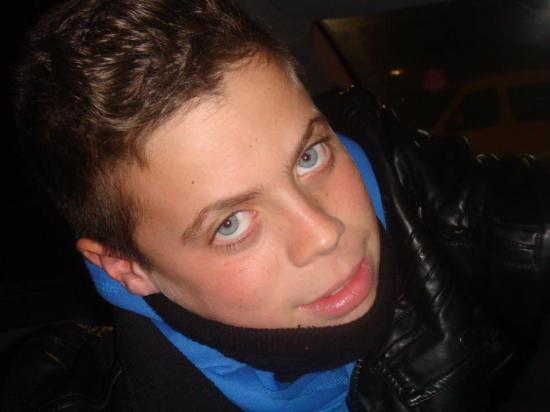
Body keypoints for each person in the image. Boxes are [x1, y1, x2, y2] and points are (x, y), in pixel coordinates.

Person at [3, 0, 549, 410]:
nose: (324, 233)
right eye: (231, 224)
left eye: (309, 156)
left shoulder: (417, 187)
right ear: (128, 268)